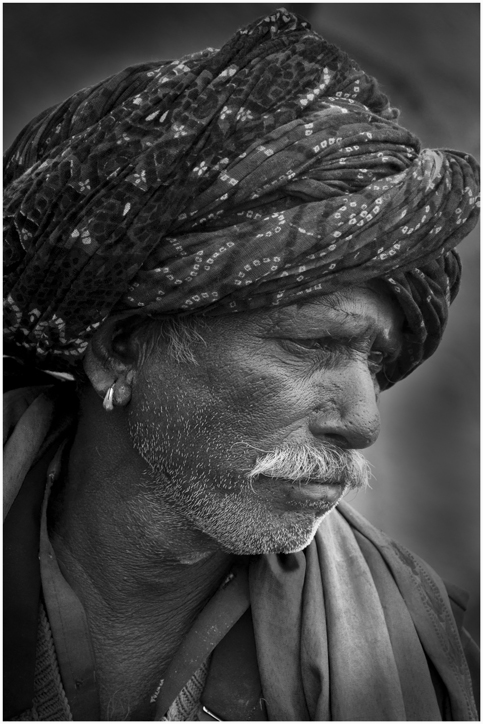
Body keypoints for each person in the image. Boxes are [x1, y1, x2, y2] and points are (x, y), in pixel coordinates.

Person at [3, 8, 479, 722]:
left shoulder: (437, 654)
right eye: (313, 346)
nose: (362, 422)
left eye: (374, 362)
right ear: (121, 350)